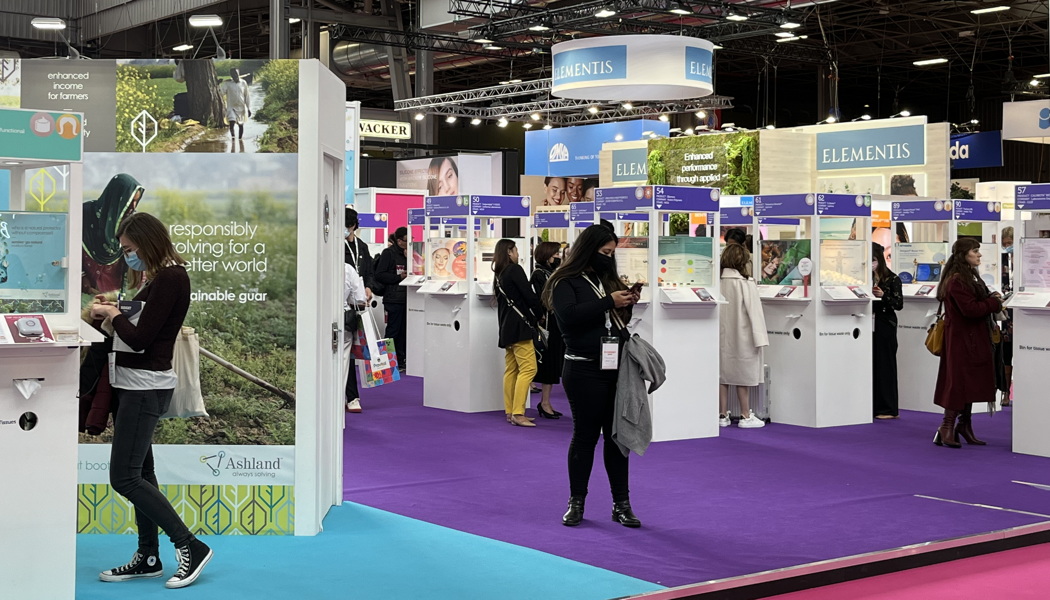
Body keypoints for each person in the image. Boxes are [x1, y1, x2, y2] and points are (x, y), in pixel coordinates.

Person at [89, 213, 212, 589]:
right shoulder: (157, 279)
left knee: (124, 477)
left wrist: (113, 314)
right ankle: (148, 556)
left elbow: (141, 340)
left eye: (129, 248)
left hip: (145, 388)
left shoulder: (172, 278)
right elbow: (140, 329)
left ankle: (190, 545)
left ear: (147, 242)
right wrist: (113, 312)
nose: (127, 255)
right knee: (141, 474)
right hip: (132, 386)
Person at [542, 224, 641, 527]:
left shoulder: (606, 278)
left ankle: (621, 504)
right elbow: (569, 317)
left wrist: (627, 302)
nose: (608, 258)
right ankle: (576, 501)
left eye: (612, 253)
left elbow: (613, 321)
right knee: (585, 436)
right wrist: (609, 301)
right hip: (583, 368)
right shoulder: (564, 280)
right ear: (589, 249)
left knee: (616, 438)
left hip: (616, 367)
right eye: (605, 252)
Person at [932, 238, 1004, 448]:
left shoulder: (968, 276)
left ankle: (964, 425)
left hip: (972, 338)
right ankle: (946, 426)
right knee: (958, 382)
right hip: (962, 340)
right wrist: (993, 302)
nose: (979, 255)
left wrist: (990, 299)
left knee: (968, 381)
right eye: (975, 251)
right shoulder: (957, 280)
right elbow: (970, 309)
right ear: (963, 255)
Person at [492, 239, 543, 427]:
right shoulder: (514, 270)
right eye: (515, 250)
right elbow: (529, 295)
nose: (518, 254)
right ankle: (518, 413)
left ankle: (510, 410)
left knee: (512, 369)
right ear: (509, 252)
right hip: (520, 327)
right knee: (529, 368)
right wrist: (540, 313)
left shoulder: (499, 274)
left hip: (507, 327)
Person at [718, 244, 768, 428]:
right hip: (743, 334)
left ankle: (722, 414)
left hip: (720, 336)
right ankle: (745, 415)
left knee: (721, 374)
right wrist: (761, 338)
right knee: (742, 375)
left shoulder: (717, 282)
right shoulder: (746, 283)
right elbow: (755, 313)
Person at [82, 174, 143, 296]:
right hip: (82, 292)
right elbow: (68, 248)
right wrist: (81, 276)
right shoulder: (86, 214)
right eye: (130, 200)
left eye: (136, 201)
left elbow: (139, 261)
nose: (133, 206)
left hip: (112, 294)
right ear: (116, 197)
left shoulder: (131, 223)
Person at [343, 208, 375, 412]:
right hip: (344, 304)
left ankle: (352, 396)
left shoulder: (361, 246)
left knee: (354, 352)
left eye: (348, 226)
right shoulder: (335, 245)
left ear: (354, 226)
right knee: (344, 354)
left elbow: (370, 271)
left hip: (360, 304)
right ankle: (349, 396)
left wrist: (369, 287)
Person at [530, 241, 565, 419]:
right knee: (548, 363)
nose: (558, 257)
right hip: (547, 324)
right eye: (556, 254)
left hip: (555, 323)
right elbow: (540, 300)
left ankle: (546, 402)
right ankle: (544, 402)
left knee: (553, 362)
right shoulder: (539, 274)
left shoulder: (551, 273)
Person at [872, 242, 904, 419]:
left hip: (885, 324)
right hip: (866, 324)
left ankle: (887, 408)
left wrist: (883, 296)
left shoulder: (892, 279)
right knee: (872, 364)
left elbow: (898, 304)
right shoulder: (864, 277)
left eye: (874, 260)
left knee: (885, 365)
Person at [375, 227, 408, 371]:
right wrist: (398, 277)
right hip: (393, 298)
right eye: (406, 240)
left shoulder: (410, 254)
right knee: (392, 331)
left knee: (404, 332)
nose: (409, 243)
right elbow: (380, 275)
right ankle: (386, 361)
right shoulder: (388, 253)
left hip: (407, 298)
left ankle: (401, 360)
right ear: (399, 241)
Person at [219, 68, 251, 140]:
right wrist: (219, 84)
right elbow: (221, 93)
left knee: (241, 125)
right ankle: (233, 138)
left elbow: (247, 96)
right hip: (231, 107)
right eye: (233, 74)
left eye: (236, 73)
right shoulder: (227, 83)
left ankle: (240, 139)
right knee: (232, 122)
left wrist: (248, 108)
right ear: (231, 75)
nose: (235, 75)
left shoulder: (243, 83)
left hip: (241, 108)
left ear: (238, 73)